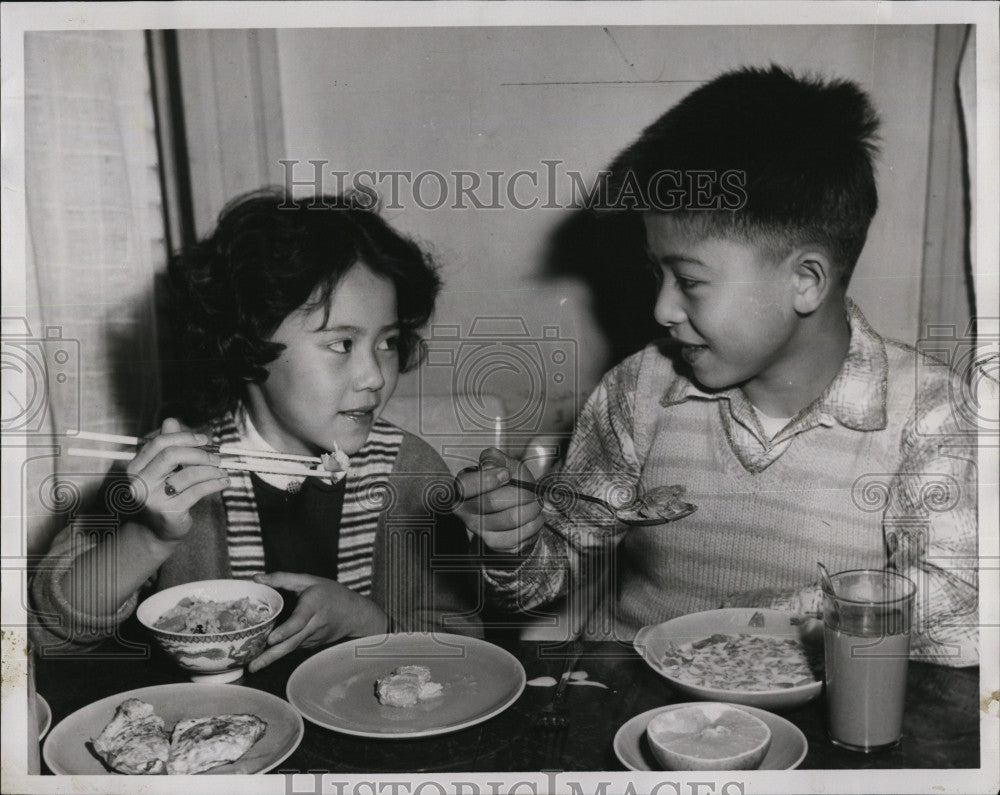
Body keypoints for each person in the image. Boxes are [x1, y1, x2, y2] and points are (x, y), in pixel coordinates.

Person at [456, 65, 978, 665]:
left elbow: (956, 615)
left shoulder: (933, 412)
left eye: (690, 280)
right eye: (658, 275)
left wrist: (752, 627)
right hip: (638, 707)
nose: (661, 308)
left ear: (805, 281)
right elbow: (541, 582)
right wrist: (514, 539)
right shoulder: (639, 388)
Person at [31, 189, 482, 667]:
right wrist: (150, 536)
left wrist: (368, 624)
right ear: (249, 347)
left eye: (388, 341)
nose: (375, 375)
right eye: (341, 344)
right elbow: (50, 633)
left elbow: (463, 649)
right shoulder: (173, 470)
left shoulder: (410, 471)